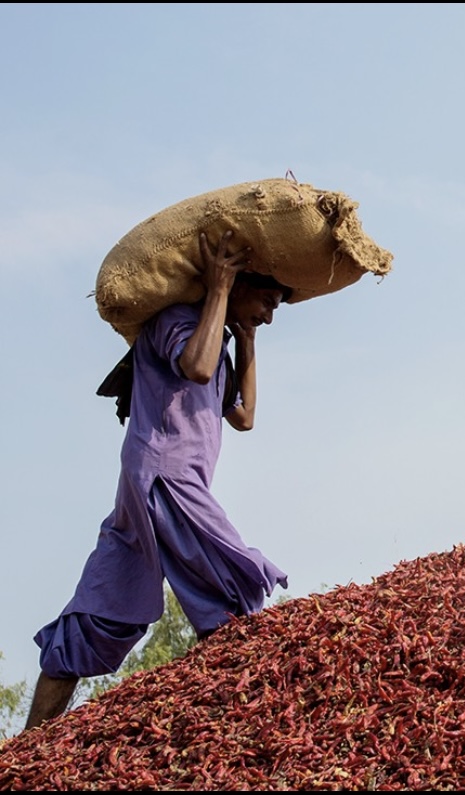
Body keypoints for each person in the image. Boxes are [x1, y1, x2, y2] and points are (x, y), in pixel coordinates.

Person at [24, 230, 292, 731]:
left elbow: (245, 416)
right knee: (228, 588)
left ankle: (23, 749)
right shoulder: (177, 321)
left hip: (145, 486)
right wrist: (219, 288)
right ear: (236, 284)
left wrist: (248, 338)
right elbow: (196, 368)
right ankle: (243, 727)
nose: (270, 314)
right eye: (266, 301)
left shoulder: (219, 342)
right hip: (166, 478)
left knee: (101, 611)